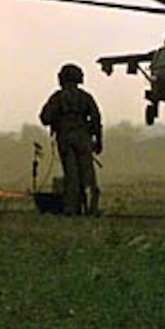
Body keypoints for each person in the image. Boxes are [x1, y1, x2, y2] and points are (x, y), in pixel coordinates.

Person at [39, 63, 103, 216]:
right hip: (83, 138)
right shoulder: (85, 97)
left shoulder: (57, 97)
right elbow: (96, 119)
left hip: (65, 138)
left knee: (71, 174)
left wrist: (58, 120)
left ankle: (71, 209)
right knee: (87, 174)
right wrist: (99, 141)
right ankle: (90, 208)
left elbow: (45, 118)